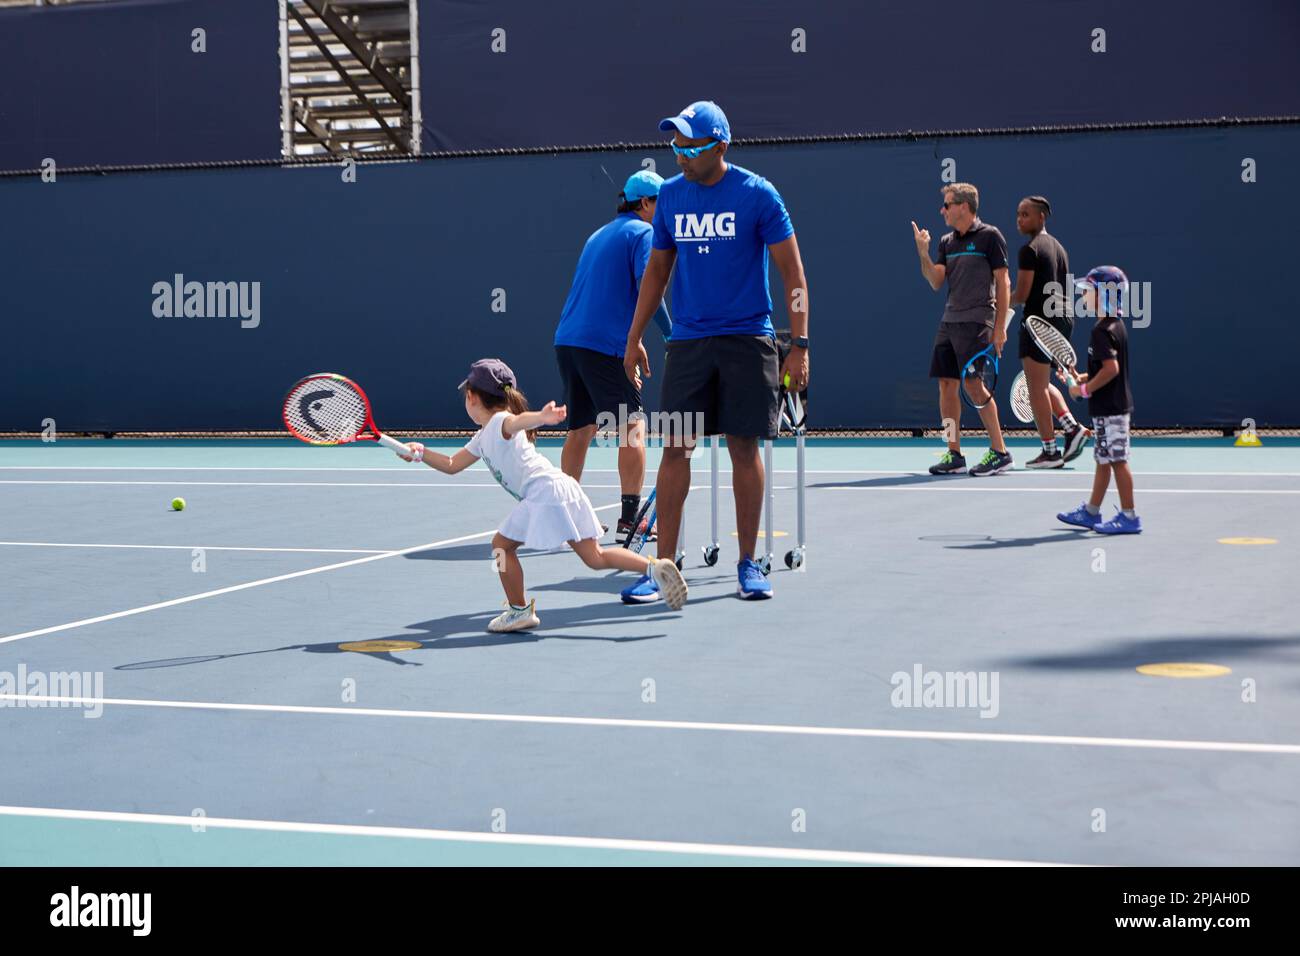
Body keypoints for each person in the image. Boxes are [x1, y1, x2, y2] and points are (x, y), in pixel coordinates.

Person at [621, 100, 810, 602]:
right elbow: (657, 272)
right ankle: (660, 567)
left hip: (748, 341)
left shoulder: (758, 195)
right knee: (676, 448)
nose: (679, 154)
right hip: (688, 344)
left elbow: (793, 273)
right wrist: (635, 334)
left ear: (719, 147)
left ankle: (749, 564)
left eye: (689, 145)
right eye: (674, 144)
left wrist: (801, 344)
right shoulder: (672, 197)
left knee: (743, 448)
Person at [398, 359, 689, 631]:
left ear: (473, 397)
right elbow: (452, 465)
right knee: (595, 558)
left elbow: (517, 422)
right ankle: (655, 569)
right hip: (562, 488)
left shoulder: (501, 421)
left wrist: (541, 417)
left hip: (544, 493)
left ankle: (519, 610)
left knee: (501, 547)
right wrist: (421, 453)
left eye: (466, 395)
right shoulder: (482, 436)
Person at [554, 170, 674, 538]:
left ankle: (563, 517)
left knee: (581, 429)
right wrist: (673, 335)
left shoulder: (598, 235)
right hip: (602, 344)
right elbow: (648, 286)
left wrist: (631, 339)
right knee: (633, 427)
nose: (665, 212)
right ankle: (631, 518)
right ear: (646, 204)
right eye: (661, 204)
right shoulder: (644, 233)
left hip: (568, 341)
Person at [912, 183, 1013, 476]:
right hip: (949, 322)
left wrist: (999, 328)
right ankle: (953, 453)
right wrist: (923, 252)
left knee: (972, 384)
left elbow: (1004, 282)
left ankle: (1000, 451)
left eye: (947, 204)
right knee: (946, 386)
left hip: (979, 321)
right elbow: (935, 281)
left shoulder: (990, 237)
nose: (942, 209)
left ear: (964, 207)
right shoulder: (946, 242)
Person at [1056, 267, 1142, 534]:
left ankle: (1129, 517)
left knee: (1117, 460)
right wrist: (1081, 377)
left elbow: (1111, 370)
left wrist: (1083, 390)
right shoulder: (1115, 327)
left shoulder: (1101, 331)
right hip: (1110, 408)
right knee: (1104, 460)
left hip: (1112, 410)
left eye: (1088, 292)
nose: (1084, 297)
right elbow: (1104, 369)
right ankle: (1092, 512)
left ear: (1105, 295)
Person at [1010, 195, 1089, 467]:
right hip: (1062, 319)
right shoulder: (1059, 247)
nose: (1020, 219)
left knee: (1035, 389)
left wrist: (996, 304)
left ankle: (1050, 451)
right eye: (1018, 214)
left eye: (1026, 214)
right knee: (1041, 385)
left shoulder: (1029, 249)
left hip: (1038, 321)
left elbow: (1021, 294)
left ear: (1041, 217)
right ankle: (1072, 428)